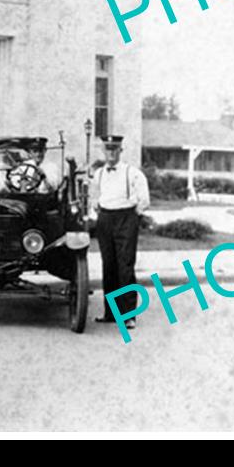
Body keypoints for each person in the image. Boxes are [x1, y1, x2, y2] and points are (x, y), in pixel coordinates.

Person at [89, 134, 150, 331]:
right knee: (109, 265)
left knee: (125, 265)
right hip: (105, 219)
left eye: (115, 149)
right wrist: (98, 212)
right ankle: (110, 313)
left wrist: (134, 217)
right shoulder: (98, 174)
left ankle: (129, 316)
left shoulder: (132, 173)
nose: (111, 153)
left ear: (120, 151)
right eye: (108, 149)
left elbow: (144, 199)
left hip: (126, 218)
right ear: (104, 151)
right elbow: (93, 198)